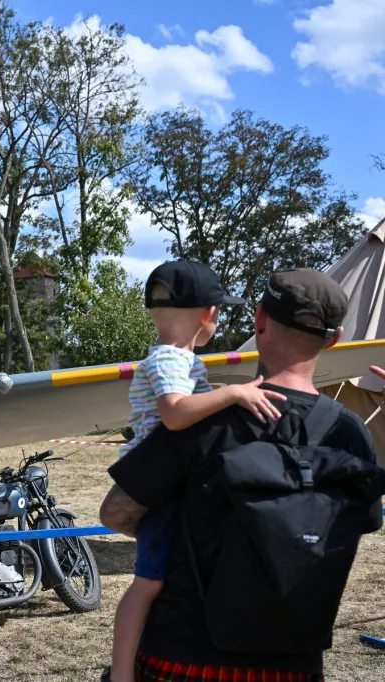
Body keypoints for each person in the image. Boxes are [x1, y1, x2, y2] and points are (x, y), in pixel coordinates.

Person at [100, 268, 385, 682]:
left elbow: (116, 514)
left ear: (259, 320)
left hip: (181, 655)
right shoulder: (349, 432)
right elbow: (365, 522)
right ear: (334, 339)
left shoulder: (201, 418)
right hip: (293, 662)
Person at [105, 261, 287, 682]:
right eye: (218, 311)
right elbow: (174, 415)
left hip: (167, 483)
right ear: (208, 314)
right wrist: (233, 393)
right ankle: (121, 673)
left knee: (165, 579)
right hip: (159, 486)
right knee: (146, 585)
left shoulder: (176, 358)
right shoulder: (171, 359)